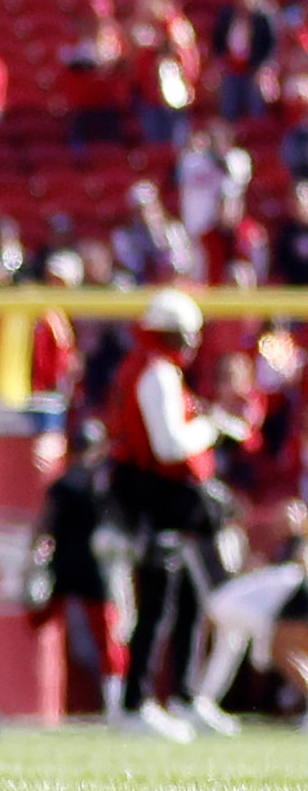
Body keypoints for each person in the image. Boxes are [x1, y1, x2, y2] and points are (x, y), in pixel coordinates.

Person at [108, 288, 247, 740]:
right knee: (158, 603)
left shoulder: (155, 370)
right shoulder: (158, 372)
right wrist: (211, 428)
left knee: (185, 600)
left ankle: (183, 697)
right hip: (156, 502)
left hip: (159, 500)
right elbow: (168, 445)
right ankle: (136, 702)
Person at [36, 420, 126, 719]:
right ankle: (115, 703)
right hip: (93, 567)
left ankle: (112, 702)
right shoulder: (103, 484)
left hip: (64, 564)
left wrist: (34, 559)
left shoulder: (63, 484)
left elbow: (43, 527)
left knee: (48, 625)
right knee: (106, 635)